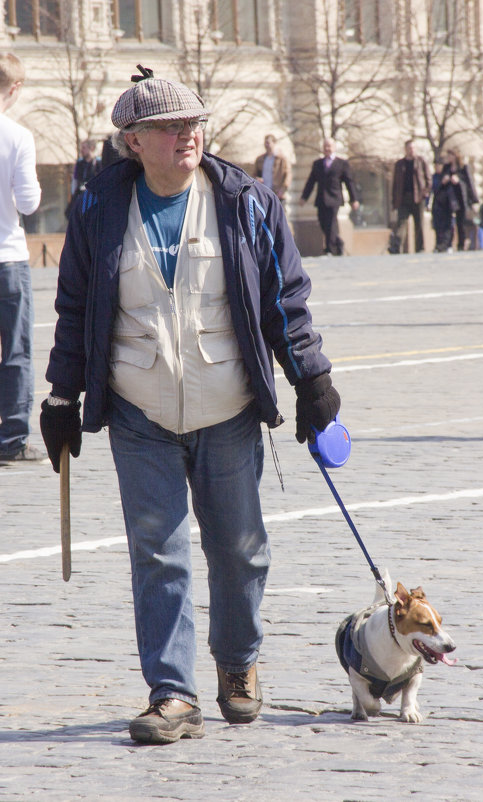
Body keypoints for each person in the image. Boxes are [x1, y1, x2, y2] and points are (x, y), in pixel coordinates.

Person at [39, 66, 341, 745]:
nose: (187, 134)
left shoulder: (245, 202)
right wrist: (62, 395)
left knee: (239, 549)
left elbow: (284, 302)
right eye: (170, 127)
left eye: (193, 122)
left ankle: (237, 665)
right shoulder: (96, 208)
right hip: (138, 408)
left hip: (227, 404)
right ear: (134, 140)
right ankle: (172, 693)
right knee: (158, 553)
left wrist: (312, 383)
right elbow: (76, 310)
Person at [0, 53, 44, 464]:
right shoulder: (17, 136)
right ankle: (12, 439)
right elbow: (29, 204)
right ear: (14, 88)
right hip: (7, 257)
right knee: (14, 350)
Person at [299, 138, 360, 255]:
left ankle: (329, 249)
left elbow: (349, 182)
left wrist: (354, 199)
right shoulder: (317, 164)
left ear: (334, 148)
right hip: (321, 199)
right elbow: (311, 182)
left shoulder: (342, 163)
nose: (327, 148)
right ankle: (339, 243)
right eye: (325, 146)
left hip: (334, 198)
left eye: (329, 146)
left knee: (331, 223)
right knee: (323, 223)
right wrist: (304, 197)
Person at [391, 139, 431, 253]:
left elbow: (428, 178)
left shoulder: (421, 162)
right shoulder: (399, 164)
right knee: (401, 224)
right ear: (405, 150)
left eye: (413, 148)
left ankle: (420, 248)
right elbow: (395, 184)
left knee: (419, 225)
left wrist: (425, 191)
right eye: (409, 148)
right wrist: (394, 201)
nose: (411, 151)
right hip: (403, 199)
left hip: (418, 198)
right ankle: (397, 247)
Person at [440, 148, 478, 251]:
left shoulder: (463, 167)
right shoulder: (446, 168)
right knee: (448, 222)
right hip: (449, 199)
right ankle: (447, 244)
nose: (448, 158)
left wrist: (474, 200)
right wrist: (444, 181)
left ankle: (461, 244)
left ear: (455, 156)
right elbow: (440, 183)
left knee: (461, 222)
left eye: (450, 155)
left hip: (460, 198)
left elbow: (469, 183)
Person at [65, 138, 102, 218]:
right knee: (72, 213)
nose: (82, 150)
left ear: (91, 148)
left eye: (84, 148)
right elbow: (75, 180)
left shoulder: (98, 163)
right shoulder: (79, 163)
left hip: (93, 194)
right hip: (80, 193)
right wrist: (73, 194)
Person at [253, 134, 291, 202]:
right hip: (263, 193)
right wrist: (257, 180)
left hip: (277, 194)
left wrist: (282, 190)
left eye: (268, 143)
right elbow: (254, 174)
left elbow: (288, 175)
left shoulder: (281, 159)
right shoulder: (260, 159)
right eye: (265, 143)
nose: (266, 145)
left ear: (274, 143)